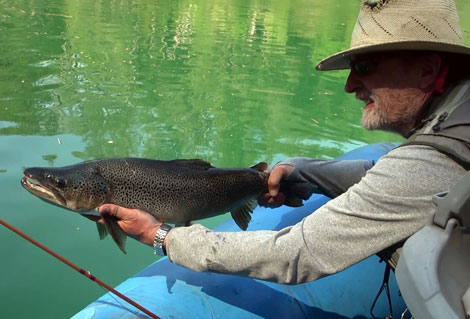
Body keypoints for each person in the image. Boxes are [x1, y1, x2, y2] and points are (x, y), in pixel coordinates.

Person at [97, 0, 470, 284]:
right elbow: (388, 176)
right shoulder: (455, 127)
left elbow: (296, 253)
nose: (350, 84)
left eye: (365, 67)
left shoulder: (429, 165)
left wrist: (159, 234)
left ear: (427, 70)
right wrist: (306, 170)